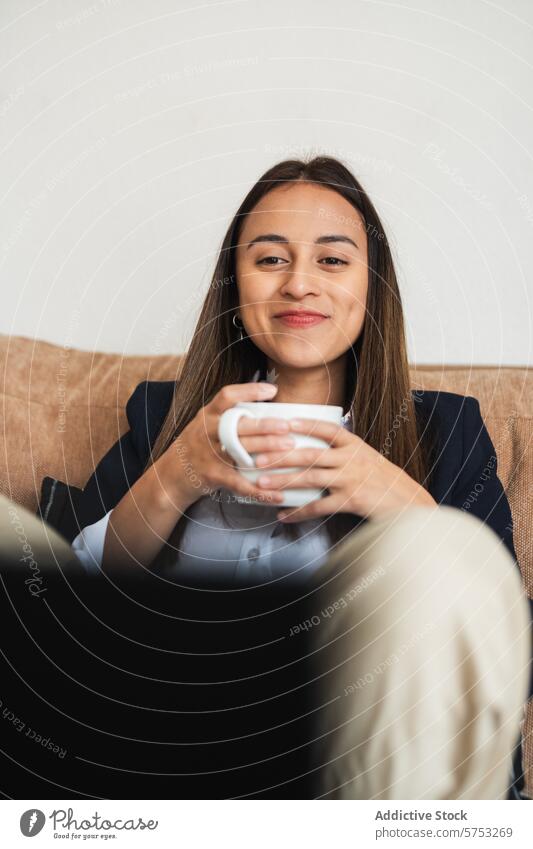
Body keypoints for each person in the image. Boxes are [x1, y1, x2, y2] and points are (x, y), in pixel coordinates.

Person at [67, 156, 531, 799]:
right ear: (236, 285)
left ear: (373, 288)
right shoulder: (166, 419)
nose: (300, 285)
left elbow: (502, 649)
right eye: (270, 259)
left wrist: (399, 501)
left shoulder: (444, 433)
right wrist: (175, 477)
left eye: (333, 260)